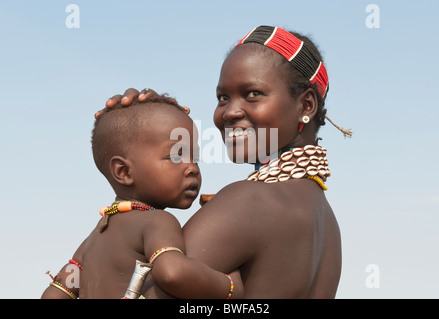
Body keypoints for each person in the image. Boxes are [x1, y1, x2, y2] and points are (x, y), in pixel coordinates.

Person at [99, 25, 345, 298]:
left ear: (306, 105)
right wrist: (136, 126)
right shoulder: (327, 225)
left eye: (253, 93)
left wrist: (128, 144)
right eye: (223, 97)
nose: (229, 112)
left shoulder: (251, 201)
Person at [41, 91, 242, 299]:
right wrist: (230, 286)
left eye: (195, 157)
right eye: (176, 156)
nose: (192, 168)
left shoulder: (94, 238)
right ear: (123, 172)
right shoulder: (156, 221)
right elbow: (172, 273)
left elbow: (54, 294)